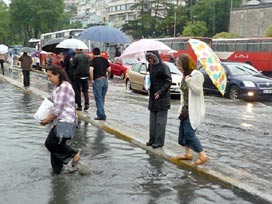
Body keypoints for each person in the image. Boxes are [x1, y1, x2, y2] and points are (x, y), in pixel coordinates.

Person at [40, 65, 80, 174]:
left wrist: (46, 120)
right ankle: (57, 172)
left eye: (50, 76)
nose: (49, 79)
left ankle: (74, 153)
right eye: (47, 77)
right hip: (59, 121)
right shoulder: (58, 87)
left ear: (57, 75)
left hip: (66, 121)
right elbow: (52, 101)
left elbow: (58, 109)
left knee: (50, 143)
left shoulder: (64, 87)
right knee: (56, 148)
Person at [175, 53, 208, 166]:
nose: (178, 67)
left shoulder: (196, 74)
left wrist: (189, 82)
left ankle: (202, 155)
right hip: (185, 108)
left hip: (193, 109)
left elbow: (197, 91)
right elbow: (183, 93)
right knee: (183, 132)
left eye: (179, 64)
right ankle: (187, 154)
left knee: (189, 133)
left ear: (185, 64)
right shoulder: (185, 75)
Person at [145, 51, 172, 149]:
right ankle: (152, 139)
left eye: (151, 58)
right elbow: (149, 79)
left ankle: (159, 141)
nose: (150, 60)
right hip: (153, 96)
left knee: (160, 122)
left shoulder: (164, 67)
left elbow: (168, 81)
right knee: (152, 121)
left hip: (162, 98)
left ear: (156, 57)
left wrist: (160, 92)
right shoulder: (150, 66)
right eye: (148, 58)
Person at [89, 47, 111, 120]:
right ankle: (100, 113)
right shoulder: (105, 60)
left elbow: (91, 70)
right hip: (105, 81)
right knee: (102, 98)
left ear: (93, 53)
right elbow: (109, 69)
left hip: (97, 80)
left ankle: (101, 115)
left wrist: (92, 80)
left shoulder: (94, 60)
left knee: (98, 98)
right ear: (100, 52)